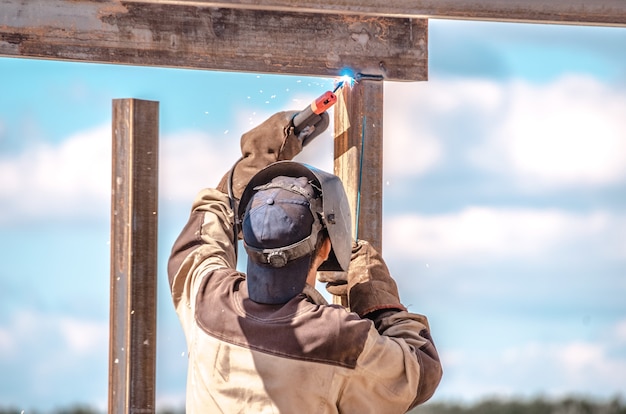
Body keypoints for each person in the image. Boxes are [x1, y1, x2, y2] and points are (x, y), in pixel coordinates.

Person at [168, 110, 442, 413]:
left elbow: (205, 230)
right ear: (325, 247)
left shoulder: (209, 298)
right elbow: (420, 371)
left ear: (247, 238)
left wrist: (256, 160)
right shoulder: (335, 338)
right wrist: (374, 293)